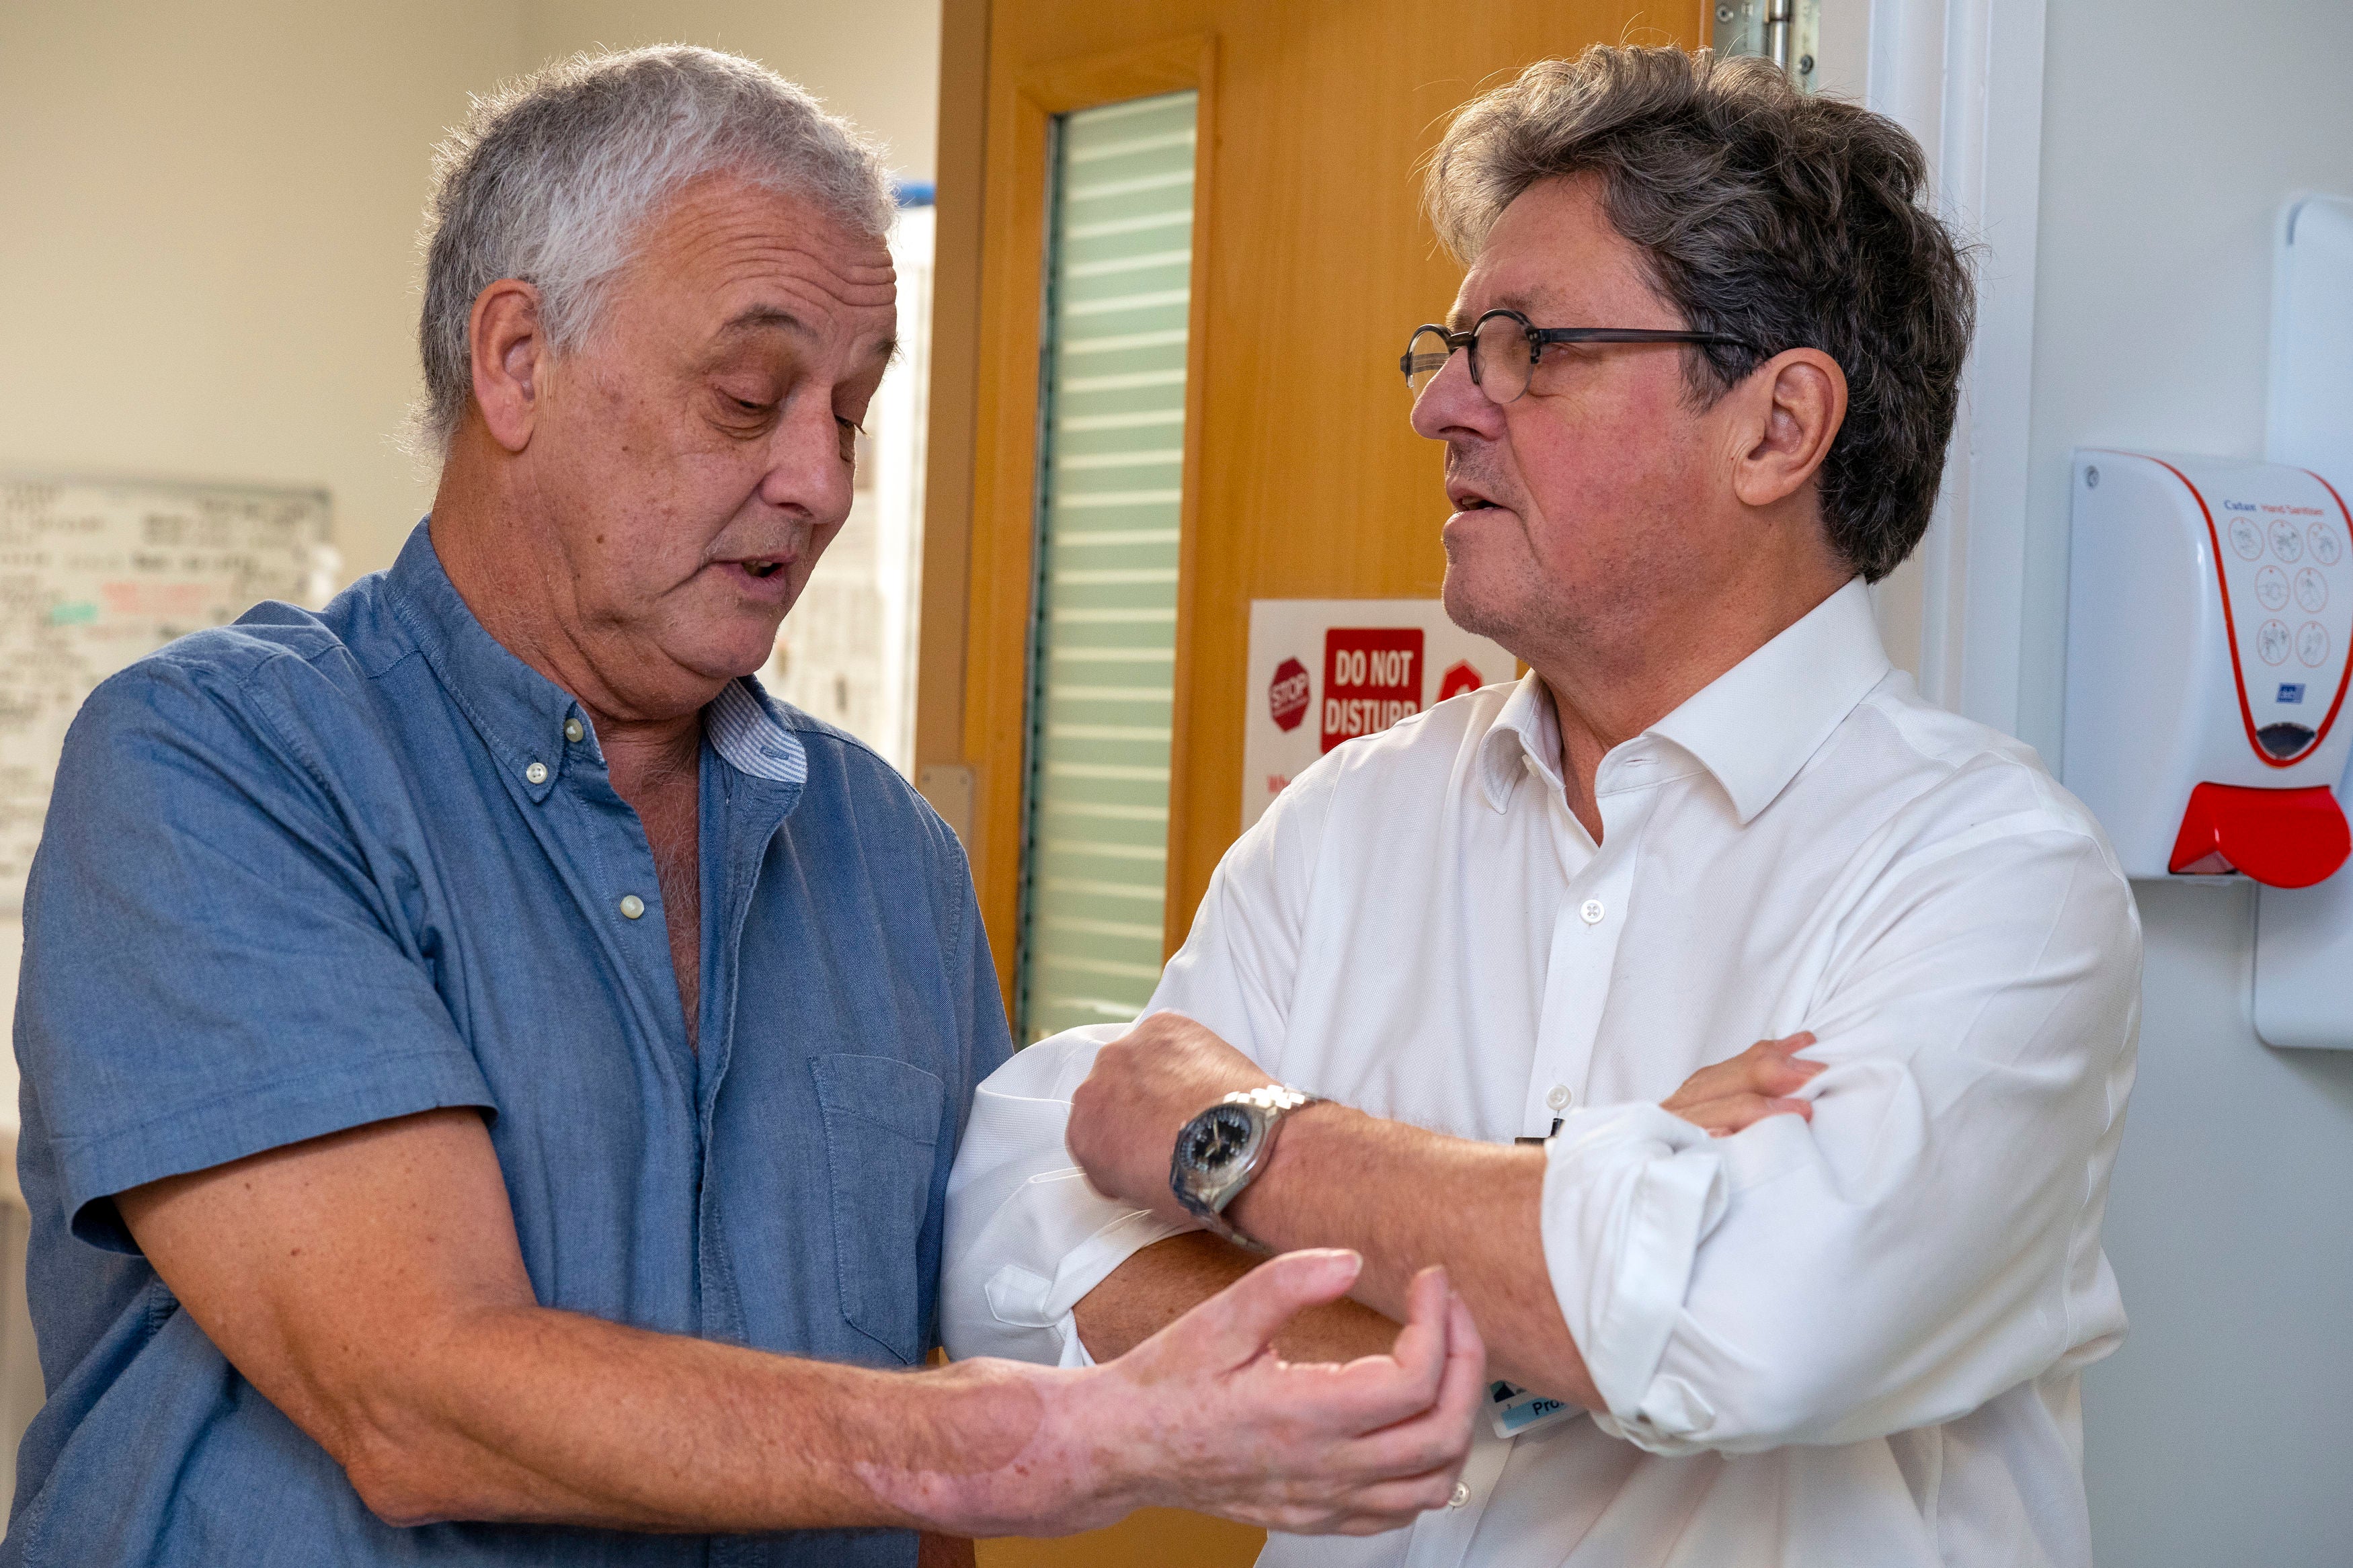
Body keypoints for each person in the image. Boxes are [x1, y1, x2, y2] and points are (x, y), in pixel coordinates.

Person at [7, 46, 1484, 1567]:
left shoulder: (883, 855)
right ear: (516, 361)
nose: (819, 481)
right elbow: (416, 1397)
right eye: (749, 396)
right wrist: (1024, 1442)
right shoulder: (224, 768)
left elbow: (907, 1426)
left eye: (846, 411)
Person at [942, 45, 2141, 1568]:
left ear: (1775, 429)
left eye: (1526, 346)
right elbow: (1011, 1238)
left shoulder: (1991, 880)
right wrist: (1559, 1270)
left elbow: (1737, 1323)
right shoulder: (1351, 822)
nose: (1442, 404)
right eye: (1452, 344)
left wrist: (1231, 1141)